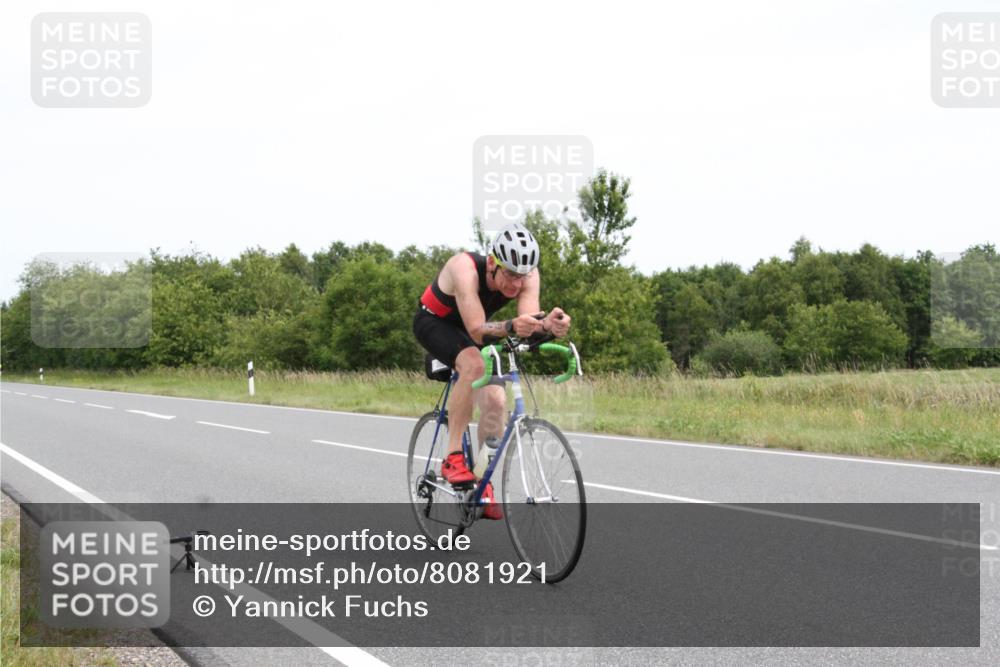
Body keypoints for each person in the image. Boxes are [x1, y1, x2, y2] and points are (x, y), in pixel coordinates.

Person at [412, 222, 571, 519]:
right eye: (510, 274)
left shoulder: (528, 275)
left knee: (497, 400)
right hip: (435, 322)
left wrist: (548, 326)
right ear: (493, 263)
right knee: (472, 363)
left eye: (521, 277)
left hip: (477, 328)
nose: (515, 284)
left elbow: (528, 323)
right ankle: (453, 456)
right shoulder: (465, 268)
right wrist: (511, 326)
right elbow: (475, 329)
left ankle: (482, 482)